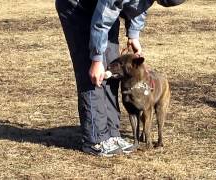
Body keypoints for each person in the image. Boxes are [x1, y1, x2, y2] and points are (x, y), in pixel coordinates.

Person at [55, 0, 185, 156]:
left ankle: (112, 134)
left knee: (112, 68)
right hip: (78, 7)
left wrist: (133, 34)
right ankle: (96, 139)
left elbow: (139, 6)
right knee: (93, 75)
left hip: (103, 7)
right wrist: (96, 59)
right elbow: (102, 21)